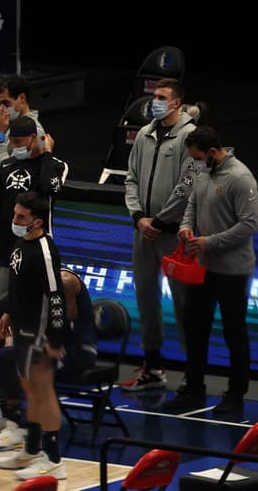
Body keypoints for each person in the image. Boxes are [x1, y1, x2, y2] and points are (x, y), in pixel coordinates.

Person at [163, 126, 258, 416]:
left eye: (200, 158)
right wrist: (185, 227)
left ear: (214, 152)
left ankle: (236, 393)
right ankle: (193, 389)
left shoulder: (240, 178)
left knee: (234, 332)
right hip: (203, 269)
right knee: (195, 329)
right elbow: (192, 202)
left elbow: (249, 225)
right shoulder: (203, 171)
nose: (197, 164)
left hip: (232, 271)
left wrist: (210, 242)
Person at [120, 78, 196, 392]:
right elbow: (131, 179)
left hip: (172, 235)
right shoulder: (145, 133)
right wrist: (139, 217)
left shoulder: (189, 136)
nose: (155, 101)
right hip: (144, 232)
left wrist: (162, 222)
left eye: (162, 97)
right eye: (154, 96)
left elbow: (187, 185)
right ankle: (152, 369)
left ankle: (195, 372)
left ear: (177, 103)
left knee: (184, 304)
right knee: (145, 299)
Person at [0, 192, 69, 480]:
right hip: (22, 326)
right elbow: (18, 284)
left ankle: (55, 460)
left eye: (21, 217)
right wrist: (9, 311)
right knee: (30, 389)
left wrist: (55, 339)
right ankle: (32, 450)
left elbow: (56, 295)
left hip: (41, 332)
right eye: (14, 214)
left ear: (37, 221)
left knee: (43, 392)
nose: (15, 220)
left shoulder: (46, 250)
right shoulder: (20, 243)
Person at [0, 267, 97, 452]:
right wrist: (0, 331)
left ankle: (22, 429)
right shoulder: (29, 284)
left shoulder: (65, 282)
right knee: (2, 352)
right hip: (47, 342)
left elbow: (64, 324)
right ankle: (8, 416)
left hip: (75, 349)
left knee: (23, 358)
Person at [0, 118, 68, 308]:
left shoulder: (56, 165)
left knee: (28, 307)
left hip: (34, 247)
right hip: (2, 246)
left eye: (19, 142)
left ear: (34, 138)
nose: (15, 147)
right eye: (12, 142)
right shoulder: (7, 165)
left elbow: (48, 188)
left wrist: (47, 153)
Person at [0, 76, 50, 169]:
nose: (1, 109)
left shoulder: (33, 130)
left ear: (22, 98)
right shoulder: (15, 126)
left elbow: (11, 172)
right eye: (0, 104)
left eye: (6, 103)